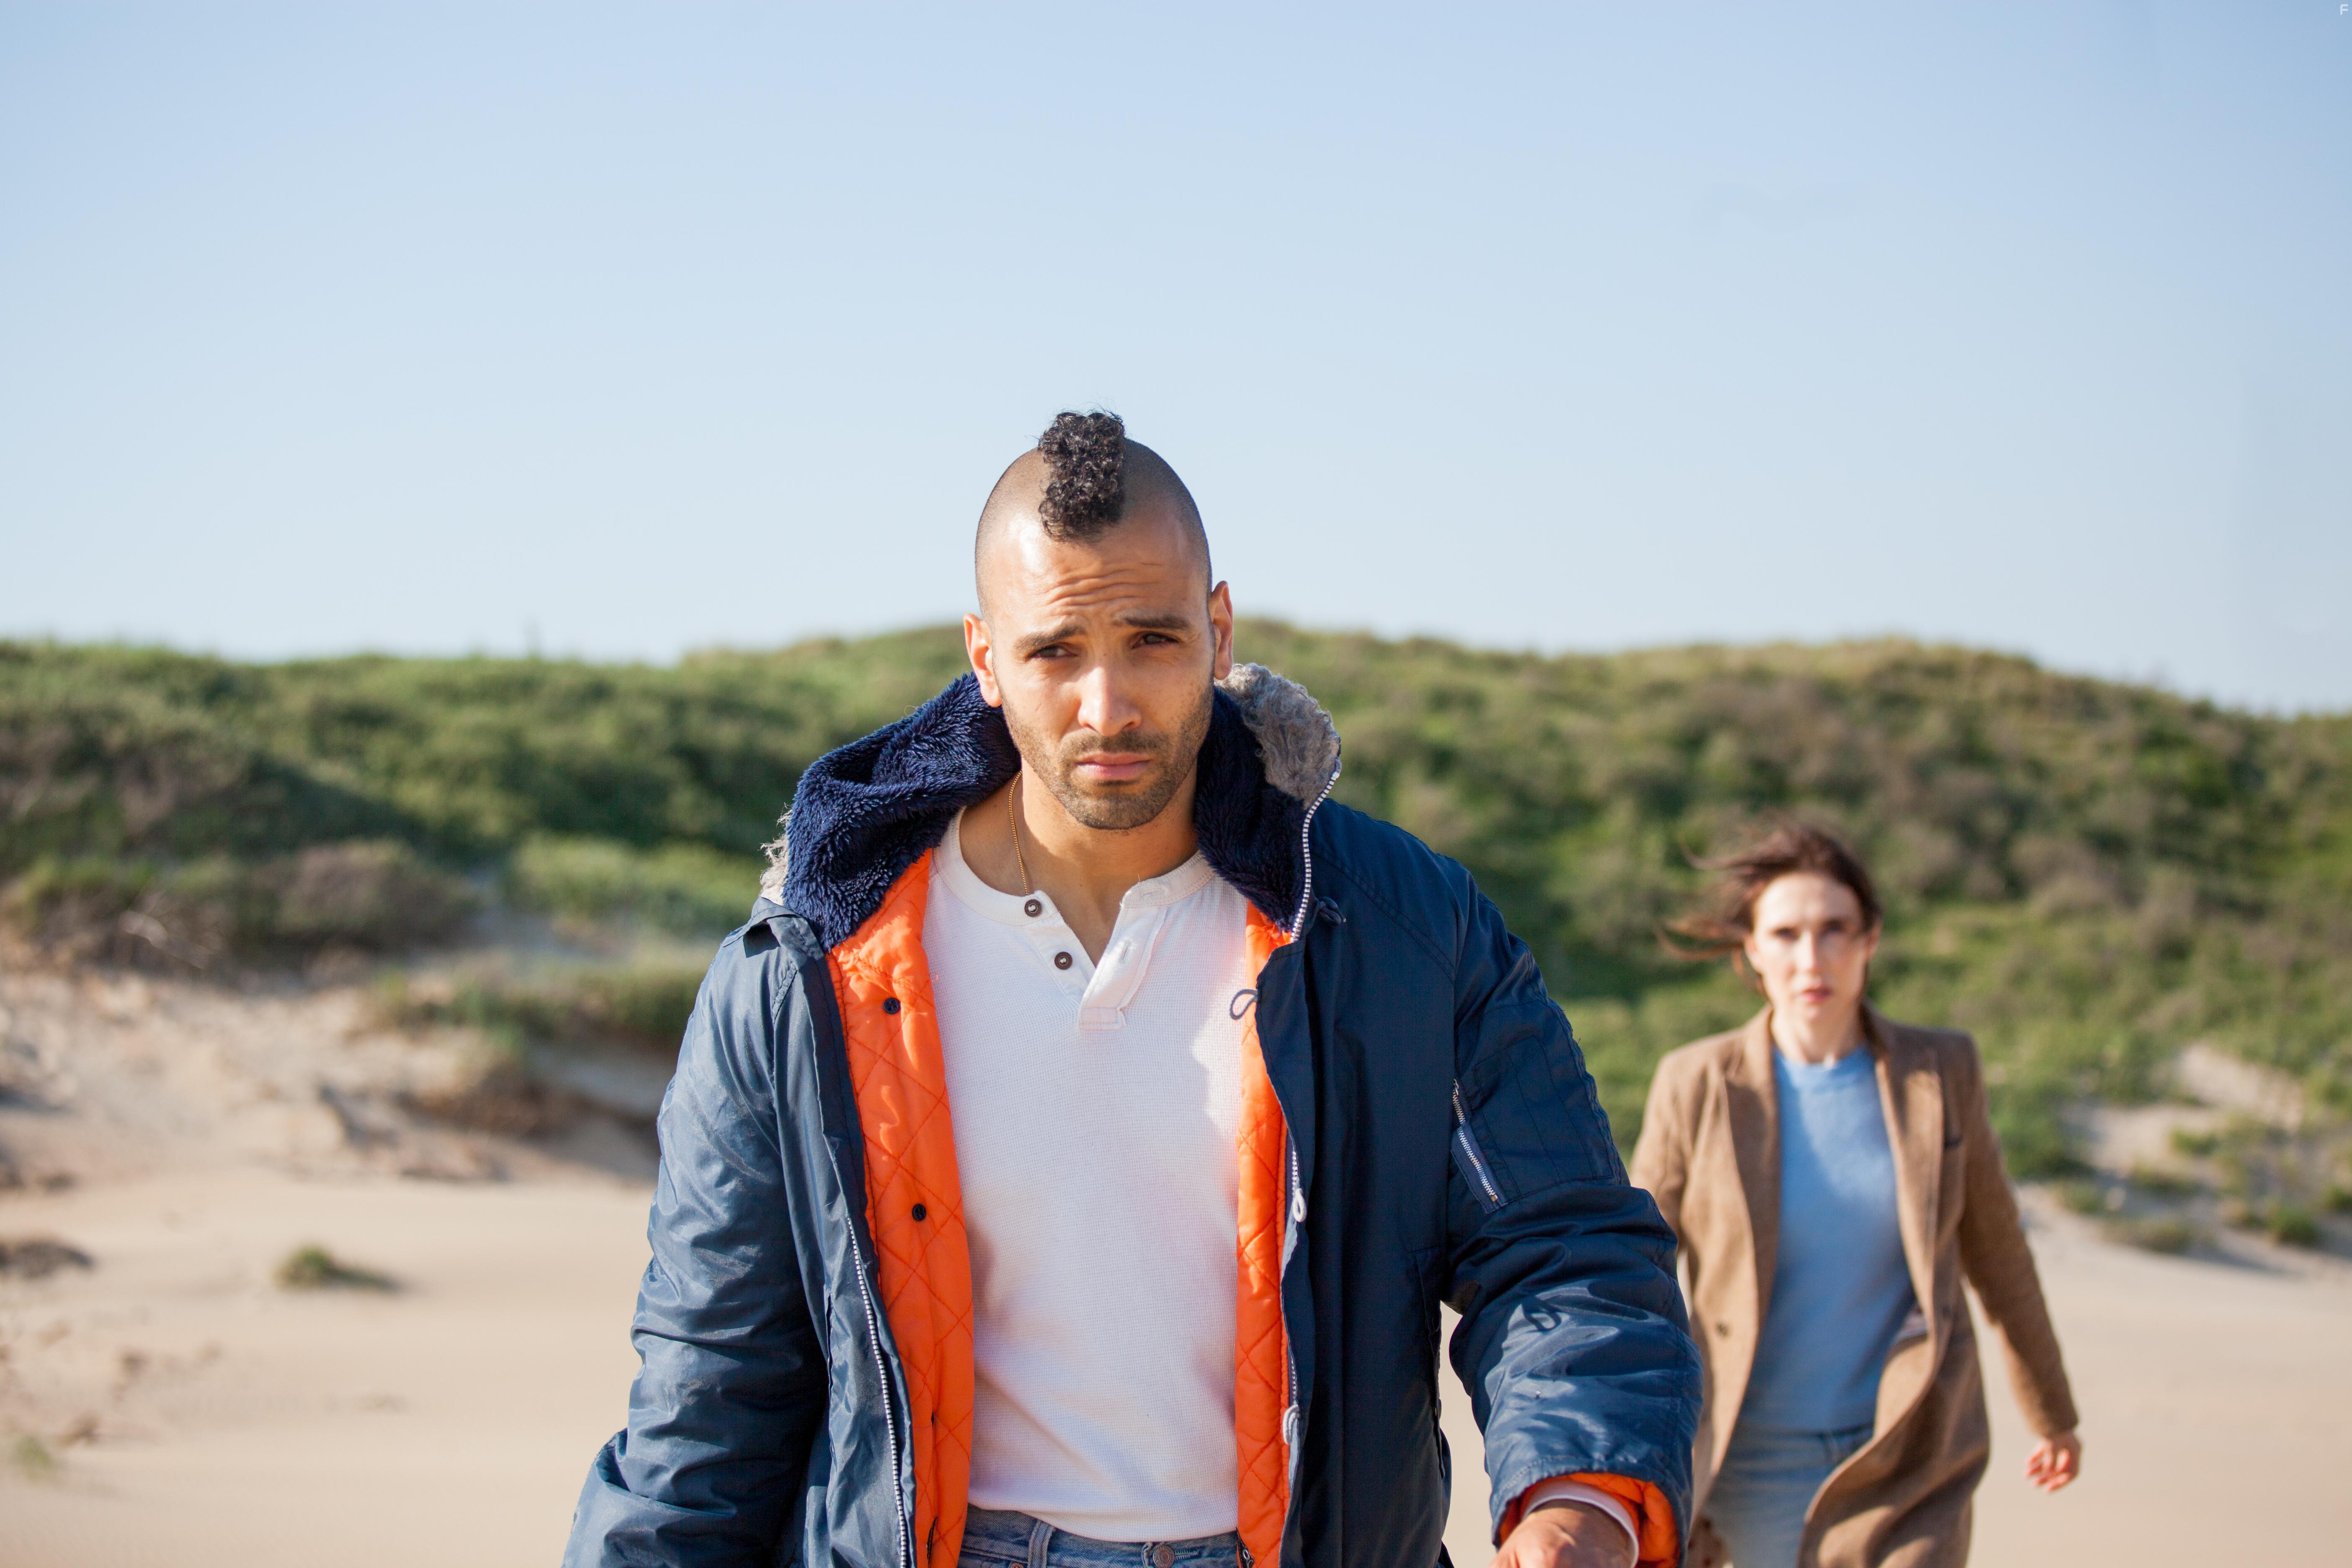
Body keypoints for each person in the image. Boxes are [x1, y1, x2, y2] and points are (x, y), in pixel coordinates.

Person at [562, 412, 1701, 1568]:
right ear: (985, 659)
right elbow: (709, 1395)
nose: (1107, 706)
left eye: (1152, 639)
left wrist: (1580, 1502)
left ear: (1217, 630)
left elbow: (1563, 1248)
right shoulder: (807, 977)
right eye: (1057, 650)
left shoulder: (1400, 929)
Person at [1629, 824, 2081, 1568]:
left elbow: (1998, 1251)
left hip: (1907, 1455)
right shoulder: (1697, 1081)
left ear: (1870, 940)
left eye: (1835, 930)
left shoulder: (1942, 1070)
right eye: (1787, 934)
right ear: (1753, 951)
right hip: (1752, 1458)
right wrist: (1614, 1437)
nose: (1813, 958)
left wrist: (2052, 1411)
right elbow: (1637, 1267)